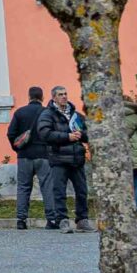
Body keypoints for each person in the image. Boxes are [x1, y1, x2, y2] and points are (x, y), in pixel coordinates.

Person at [6, 85, 61, 229]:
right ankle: (51, 219)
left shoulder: (20, 112)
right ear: (42, 97)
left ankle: (21, 220)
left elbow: (11, 134)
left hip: (24, 155)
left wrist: (17, 149)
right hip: (43, 154)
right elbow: (53, 133)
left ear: (29, 97)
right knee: (47, 187)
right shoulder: (47, 113)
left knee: (23, 187)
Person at [47, 85, 92, 232]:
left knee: (82, 190)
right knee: (59, 191)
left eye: (65, 94)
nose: (64, 97)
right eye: (60, 94)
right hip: (59, 158)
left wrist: (82, 135)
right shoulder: (47, 115)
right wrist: (66, 137)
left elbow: (88, 133)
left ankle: (82, 220)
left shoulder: (76, 115)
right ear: (54, 97)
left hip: (77, 158)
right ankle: (62, 220)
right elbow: (45, 134)